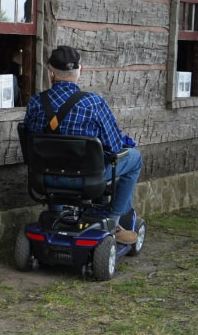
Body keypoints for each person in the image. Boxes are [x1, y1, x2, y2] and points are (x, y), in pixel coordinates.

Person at [23, 46, 142, 244]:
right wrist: (127, 142)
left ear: (50, 73)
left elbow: (29, 143)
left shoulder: (36, 102)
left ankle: (56, 214)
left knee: (53, 155)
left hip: (45, 179)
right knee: (135, 158)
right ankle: (113, 222)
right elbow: (113, 146)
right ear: (81, 70)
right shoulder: (93, 103)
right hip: (86, 180)